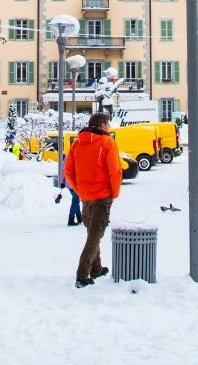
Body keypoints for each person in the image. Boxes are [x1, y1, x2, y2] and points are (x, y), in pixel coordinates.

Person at [63, 112, 122, 288]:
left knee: (92, 232)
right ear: (103, 125)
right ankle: (82, 275)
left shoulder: (77, 143)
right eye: (109, 125)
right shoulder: (107, 143)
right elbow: (115, 171)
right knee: (95, 236)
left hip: (85, 195)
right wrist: (114, 192)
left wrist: (79, 189)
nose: (110, 128)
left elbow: (68, 171)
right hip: (102, 195)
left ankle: (96, 268)